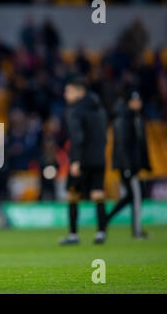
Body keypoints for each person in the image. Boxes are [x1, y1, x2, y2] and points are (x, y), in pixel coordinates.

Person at [60, 78, 108, 245]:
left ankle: (73, 235)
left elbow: (77, 137)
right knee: (98, 194)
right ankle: (101, 232)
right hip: (99, 158)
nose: (65, 94)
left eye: (69, 91)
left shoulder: (75, 110)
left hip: (82, 160)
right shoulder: (100, 109)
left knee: (72, 194)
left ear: (80, 92)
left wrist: (76, 160)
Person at [106, 91, 150, 237]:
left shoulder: (135, 118)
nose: (138, 103)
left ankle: (106, 218)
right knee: (136, 196)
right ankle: (137, 231)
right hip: (128, 166)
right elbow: (122, 145)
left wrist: (144, 163)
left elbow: (140, 144)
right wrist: (126, 166)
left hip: (133, 165)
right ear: (129, 103)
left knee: (131, 196)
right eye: (135, 101)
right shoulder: (123, 119)